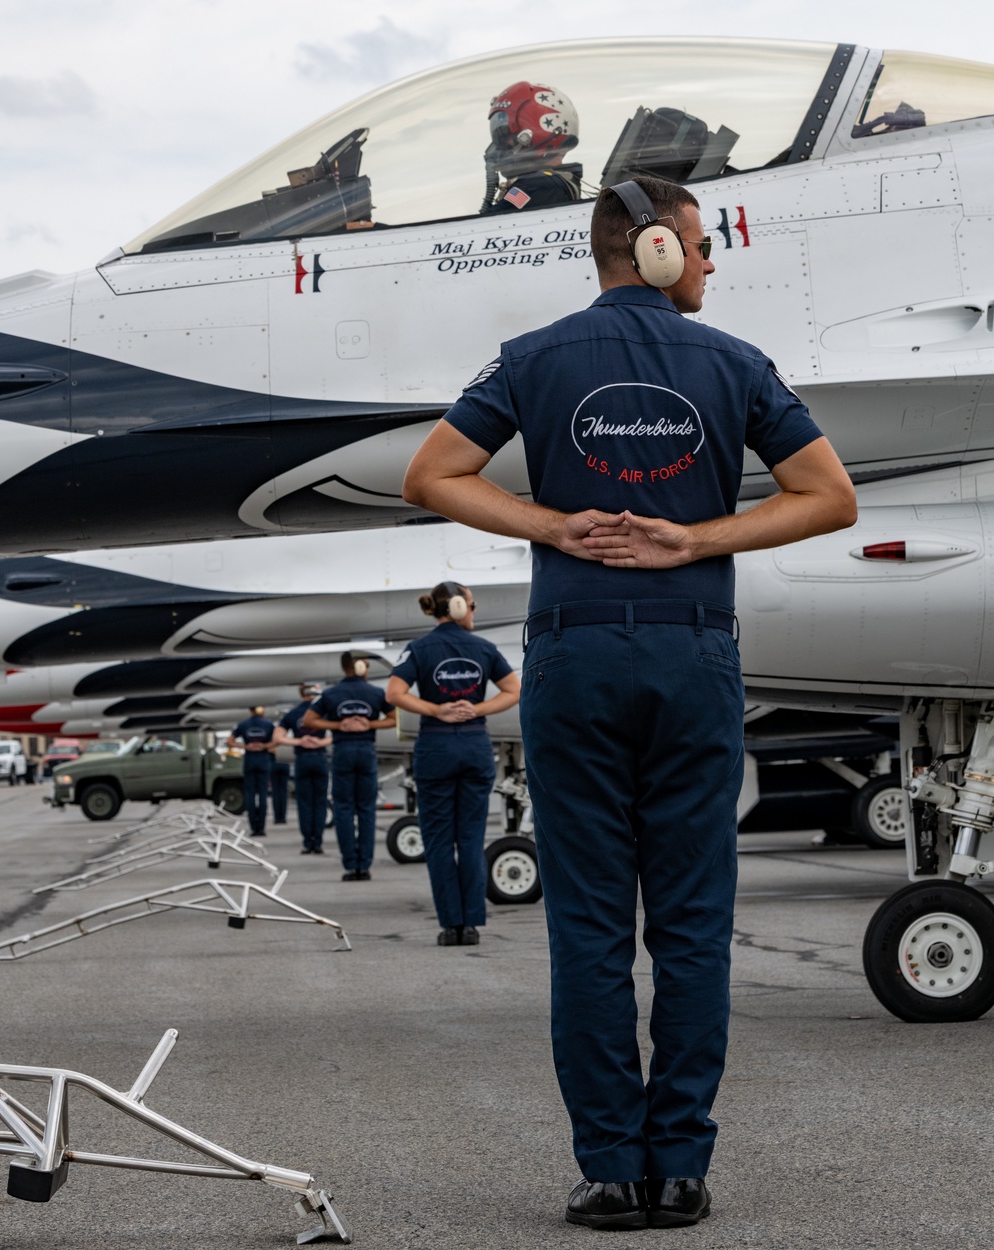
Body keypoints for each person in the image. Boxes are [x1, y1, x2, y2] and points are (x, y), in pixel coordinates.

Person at [400, 176, 856, 1228]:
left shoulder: (532, 358)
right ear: (653, 248)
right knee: (694, 924)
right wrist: (695, 538)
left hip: (575, 652)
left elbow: (433, 475)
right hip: (693, 655)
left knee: (593, 927)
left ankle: (612, 1169)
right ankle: (681, 1167)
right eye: (699, 245)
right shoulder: (736, 362)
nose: (709, 263)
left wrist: (551, 526)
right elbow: (830, 495)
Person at [385, 583, 520, 947]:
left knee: (440, 841)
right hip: (475, 744)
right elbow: (513, 690)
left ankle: (451, 926)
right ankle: (472, 925)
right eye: (473, 606)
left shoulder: (419, 648)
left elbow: (394, 693)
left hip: (435, 746)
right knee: (471, 839)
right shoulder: (485, 649)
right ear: (461, 608)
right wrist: (476, 708)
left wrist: (435, 709)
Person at [303, 655, 395, 881]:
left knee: (343, 809)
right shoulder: (375, 693)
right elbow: (393, 718)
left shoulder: (331, 694)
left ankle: (349, 865)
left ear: (344, 669)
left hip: (343, 750)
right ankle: (364, 866)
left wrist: (338, 724)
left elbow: (309, 720)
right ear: (364, 669)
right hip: (366, 750)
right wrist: (369, 723)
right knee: (366, 808)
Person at [480, 81, 582, 215]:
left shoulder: (540, 185)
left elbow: (488, 226)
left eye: (506, 134)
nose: (501, 146)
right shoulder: (548, 182)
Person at [274, 684, 330, 855]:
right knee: (320, 802)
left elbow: (277, 737)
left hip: (302, 760)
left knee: (304, 803)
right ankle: (318, 842)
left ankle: (307, 842)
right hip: (320, 758)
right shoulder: (323, 712)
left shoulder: (292, 714)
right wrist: (319, 742)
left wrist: (299, 741)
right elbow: (337, 732)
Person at [227, 705, 277, 837]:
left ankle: (253, 828)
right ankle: (261, 828)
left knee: (250, 795)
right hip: (263, 760)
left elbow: (230, 741)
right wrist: (264, 745)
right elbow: (277, 740)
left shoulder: (243, 724)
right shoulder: (268, 724)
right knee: (262, 795)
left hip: (249, 760)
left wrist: (245, 746)